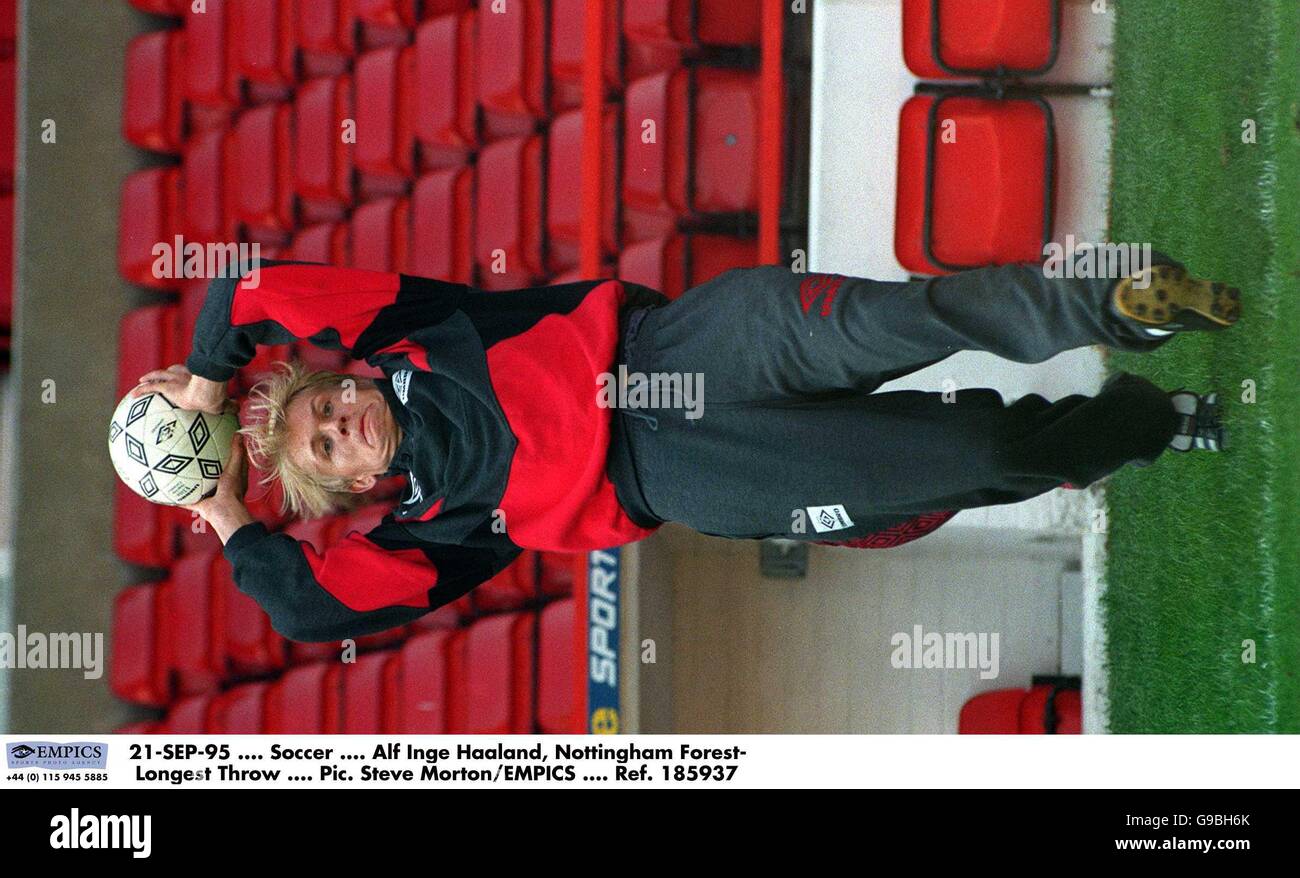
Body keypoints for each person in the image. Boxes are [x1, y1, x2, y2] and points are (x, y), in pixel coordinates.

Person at [133, 255, 1239, 641]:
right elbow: (307, 611)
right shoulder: (442, 533)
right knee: (975, 449)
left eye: (326, 405)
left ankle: (1119, 304)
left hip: (688, 342)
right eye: (328, 448)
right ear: (357, 482)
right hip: (688, 474)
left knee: (906, 320)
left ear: (346, 375)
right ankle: (1142, 418)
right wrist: (227, 512)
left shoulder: (424, 328)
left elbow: (244, 286)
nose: (337, 426)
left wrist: (204, 376)